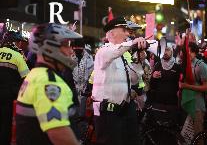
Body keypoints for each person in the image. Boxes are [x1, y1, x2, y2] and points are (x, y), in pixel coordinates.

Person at [16, 23, 81, 145]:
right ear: (50, 48)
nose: (71, 51)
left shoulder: (36, 75)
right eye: (67, 45)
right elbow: (58, 132)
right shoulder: (49, 82)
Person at [92, 16, 147, 145]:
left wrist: (139, 60)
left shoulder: (123, 55)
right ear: (112, 32)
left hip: (125, 110)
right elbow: (115, 52)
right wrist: (133, 43)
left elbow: (134, 79)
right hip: (108, 113)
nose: (128, 33)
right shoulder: (103, 51)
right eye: (124, 29)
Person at [0, 31, 30, 145]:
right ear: (14, 42)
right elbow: (27, 78)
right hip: (8, 97)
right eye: (19, 42)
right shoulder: (17, 56)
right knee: (5, 125)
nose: (20, 45)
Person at [179, 42, 207, 144]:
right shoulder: (185, 65)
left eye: (189, 51)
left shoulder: (201, 66)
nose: (187, 54)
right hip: (187, 104)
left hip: (197, 106)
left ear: (194, 52)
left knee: (198, 138)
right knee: (186, 137)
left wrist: (187, 86)